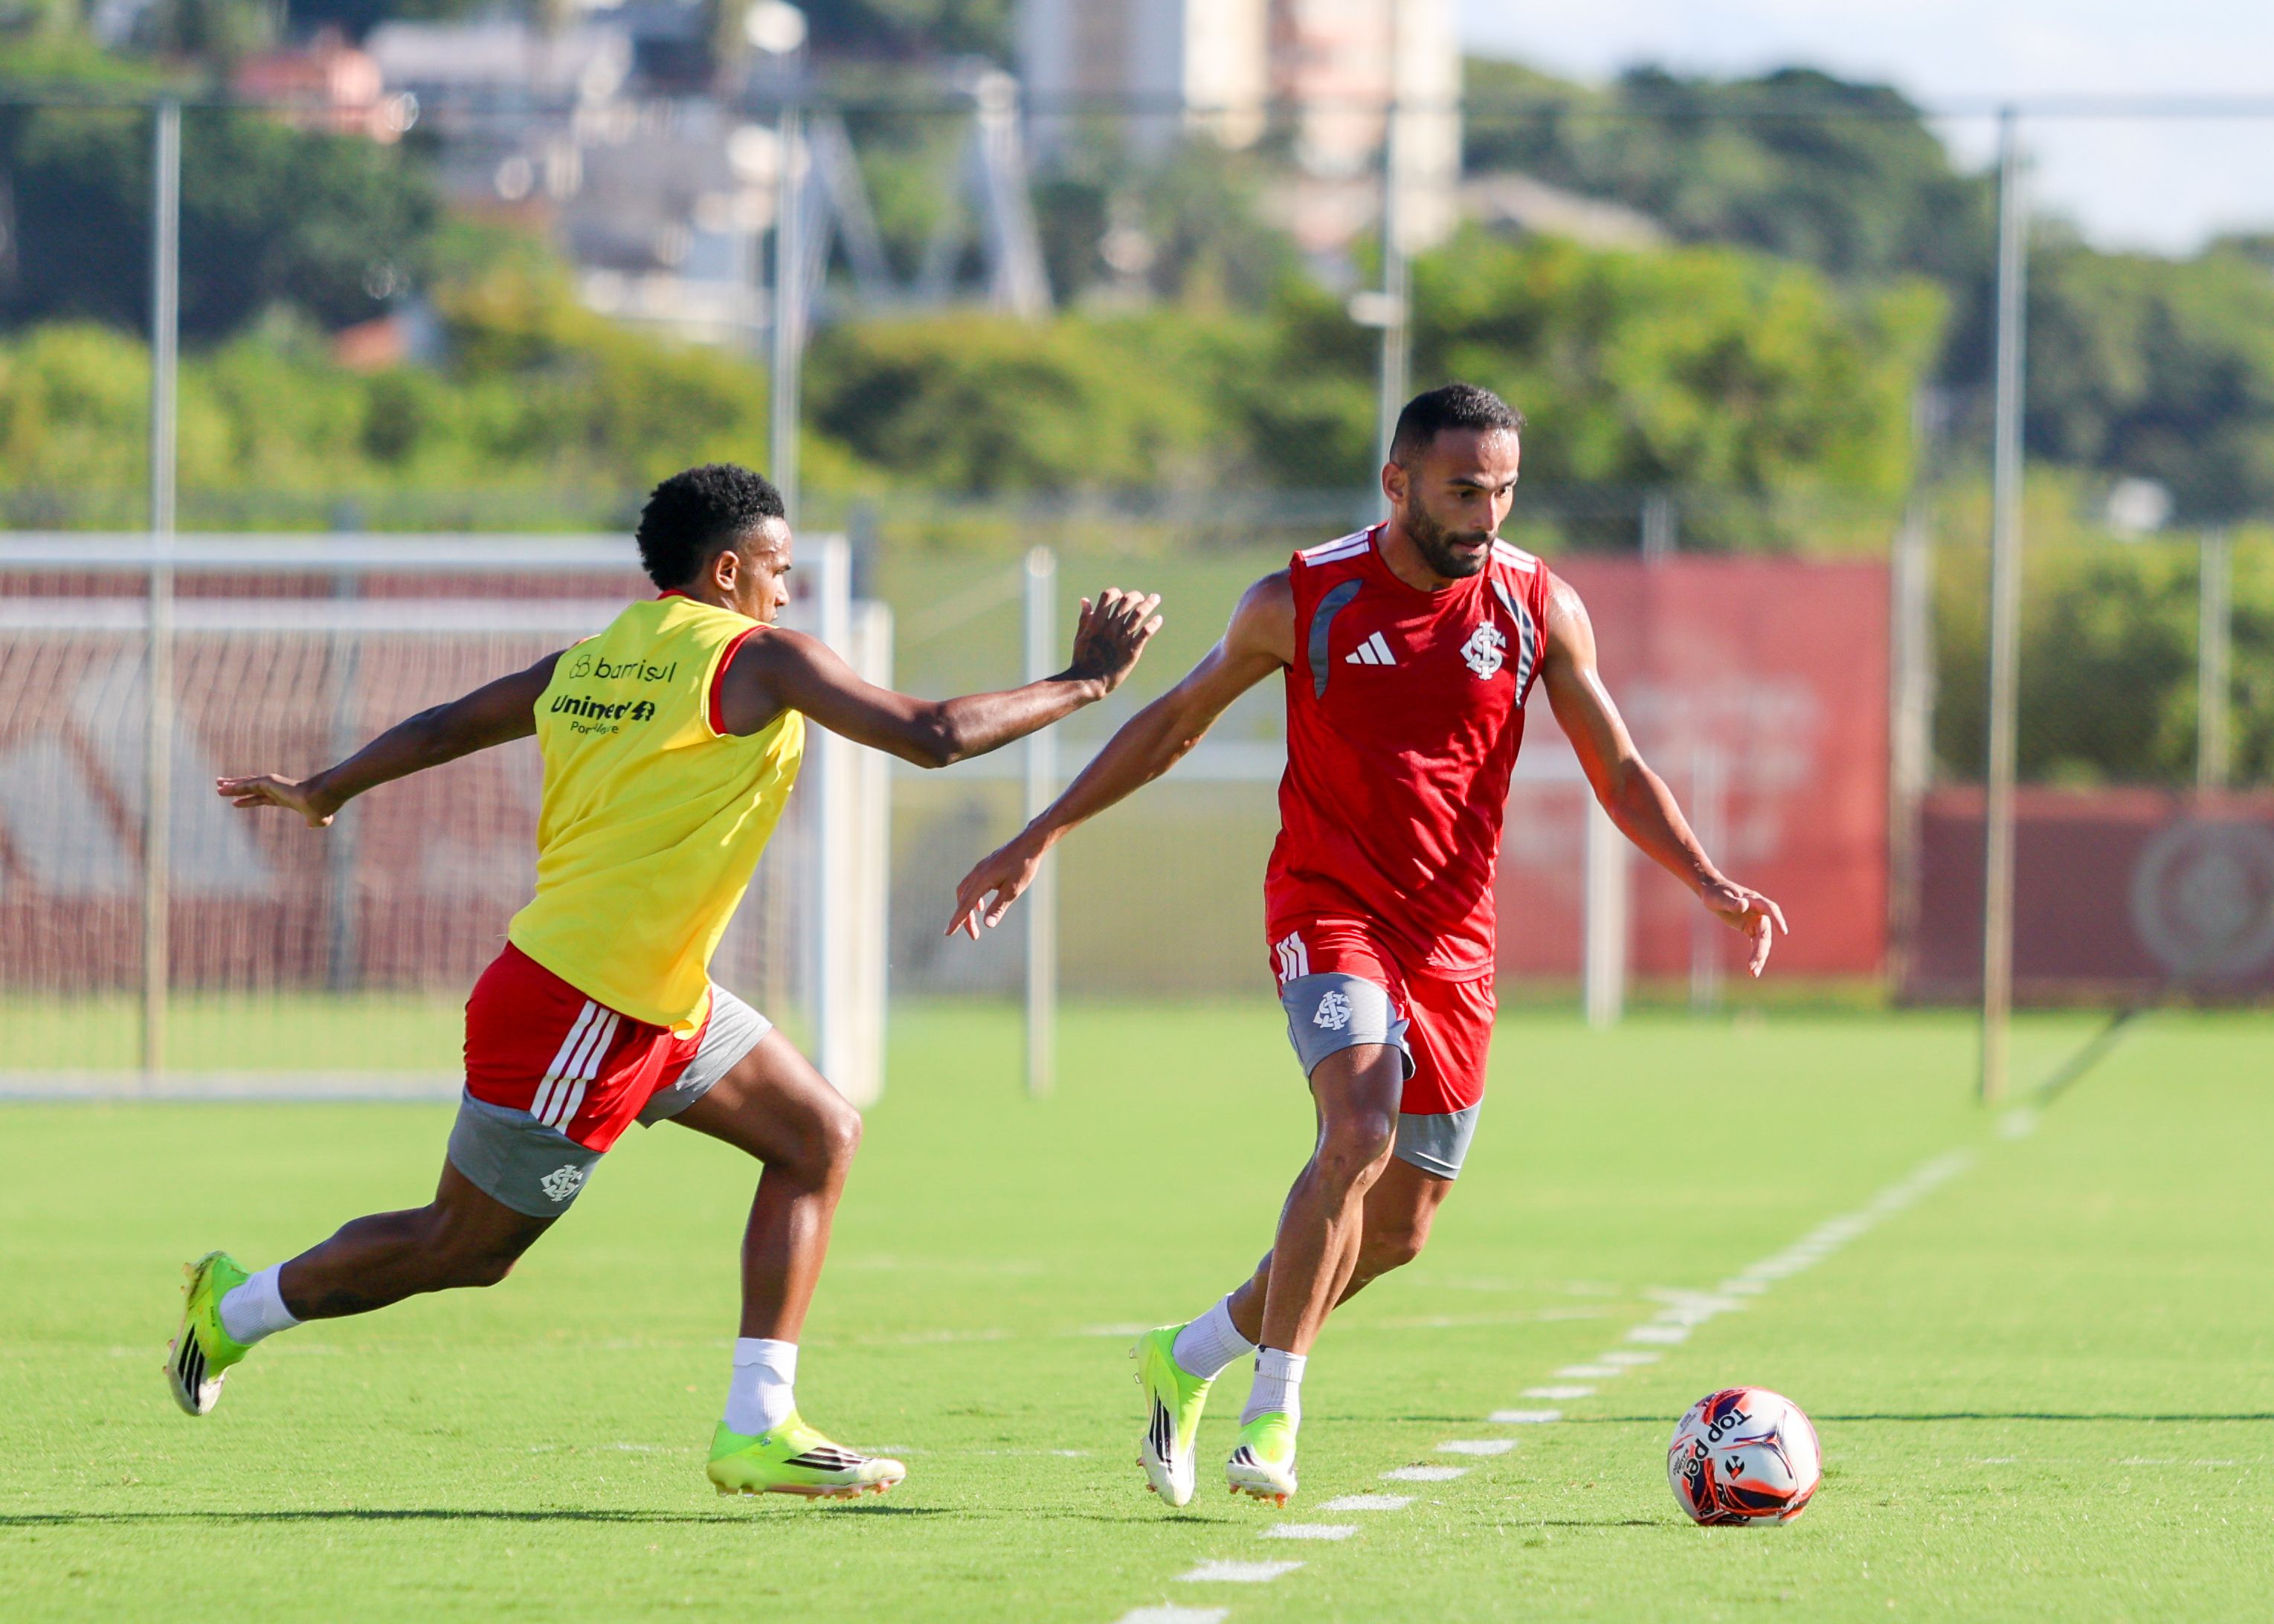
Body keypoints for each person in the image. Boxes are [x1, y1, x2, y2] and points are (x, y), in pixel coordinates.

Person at [177, 463, 1162, 1501]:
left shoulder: (599, 657)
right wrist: (1084, 682)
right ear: (728, 569)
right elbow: (933, 735)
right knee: (463, 1248)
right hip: (580, 1008)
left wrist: (329, 789)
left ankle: (760, 1425)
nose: (790, 591)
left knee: (818, 1133)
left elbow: (446, 726)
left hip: (659, 996)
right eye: (780, 570)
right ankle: (234, 1309)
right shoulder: (759, 658)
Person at [947, 384, 1788, 1507]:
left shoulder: (1539, 603)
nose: (1485, 515)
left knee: (1397, 1232)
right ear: (1397, 485)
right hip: (1328, 908)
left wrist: (1708, 879)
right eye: (1461, 491)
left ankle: (1188, 1354)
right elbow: (1175, 723)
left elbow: (1617, 767)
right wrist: (1038, 836)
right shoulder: (1303, 599)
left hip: (1455, 940)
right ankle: (1274, 1416)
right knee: (1358, 1127)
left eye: (1502, 491)